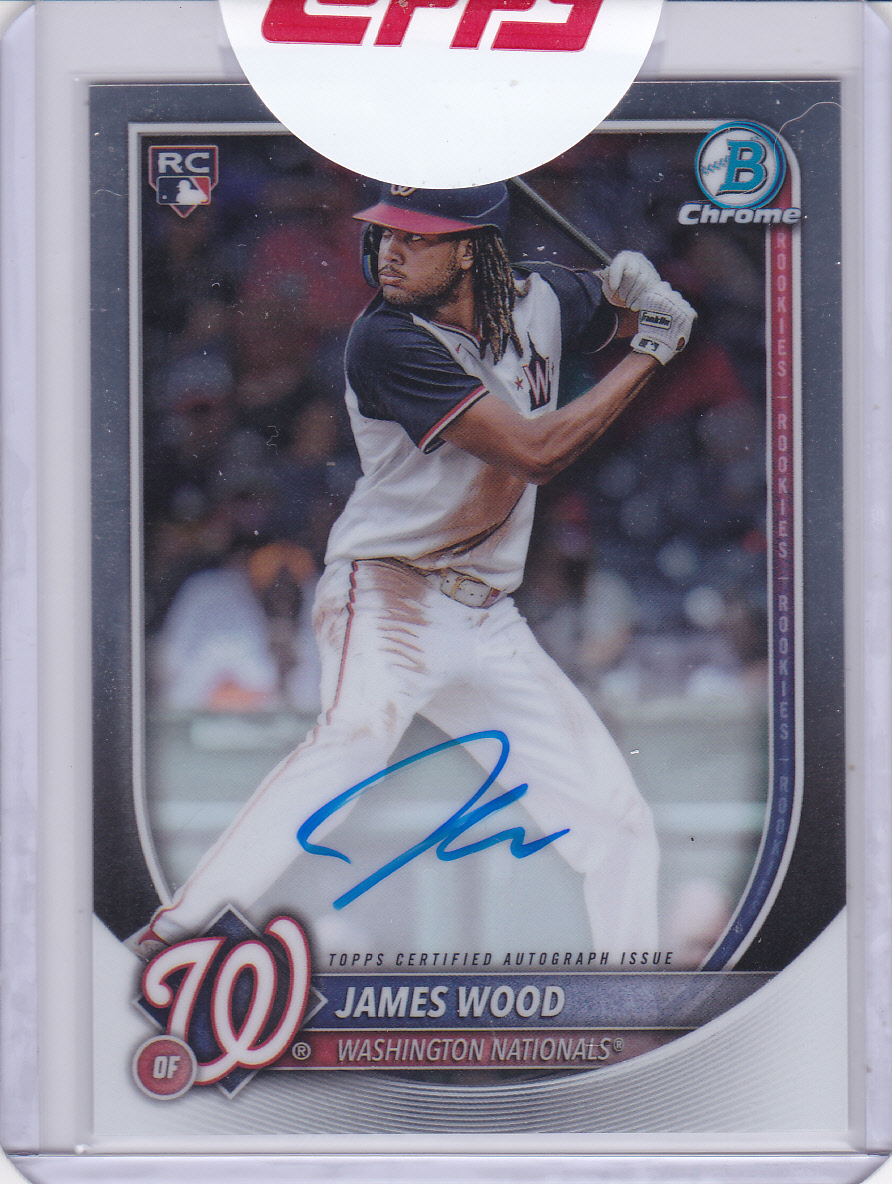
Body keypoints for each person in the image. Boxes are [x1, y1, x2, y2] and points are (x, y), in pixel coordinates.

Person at [131, 182, 695, 960]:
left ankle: (631, 998)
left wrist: (634, 294)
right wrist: (650, 351)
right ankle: (171, 942)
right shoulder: (388, 339)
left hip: (487, 615)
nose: (388, 252)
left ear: (470, 251)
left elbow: (617, 307)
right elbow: (536, 451)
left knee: (619, 820)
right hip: (390, 590)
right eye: (387, 234)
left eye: (416, 238)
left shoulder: (542, 297)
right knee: (353, 743)